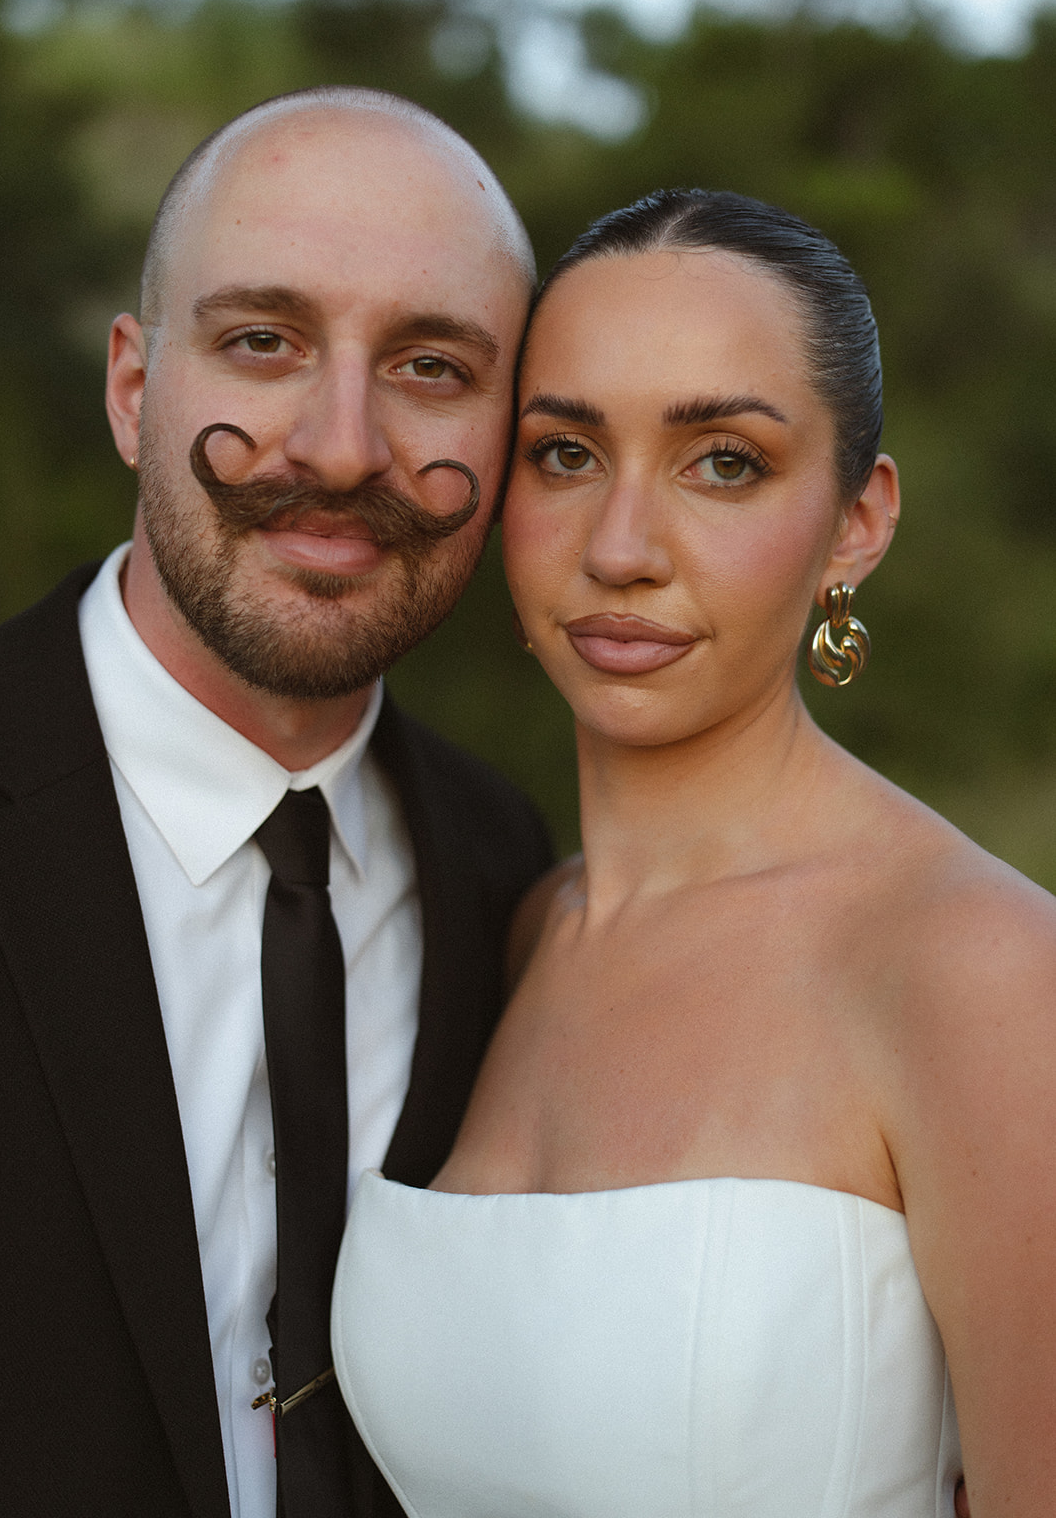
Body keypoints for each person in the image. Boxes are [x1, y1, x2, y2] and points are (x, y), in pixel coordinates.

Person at [331, 189, 1056, 1517]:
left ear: (857, 521)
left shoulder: (978, 968)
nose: (621, 549)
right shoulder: (516, 927)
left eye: (723, 461)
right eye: (564, 455)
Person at [0, 86, 553, 1518]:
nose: (343, 444)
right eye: (263, 341)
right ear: (133, 388)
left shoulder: (513, 877)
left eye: (432, 365)